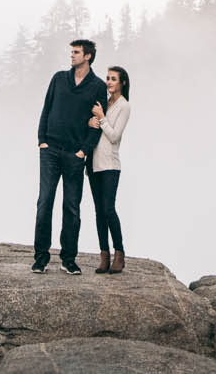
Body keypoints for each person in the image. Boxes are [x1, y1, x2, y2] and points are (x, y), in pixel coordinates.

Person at [33, 38, 107, 274]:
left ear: (88, 56)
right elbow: (47, 108)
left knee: (72, 207)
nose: (72, 56)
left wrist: (83, 151)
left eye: (76, 52)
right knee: (44, 202)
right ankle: (41, 257)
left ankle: (68, 259)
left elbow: (96, 124)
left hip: (75, 154)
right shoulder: (58, 78)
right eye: (71, 52)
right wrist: (42, 141)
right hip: (50, 151)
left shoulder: (96, 86)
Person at [87, 65, 131, 274]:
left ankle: (119, 253)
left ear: (122, 82)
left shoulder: (124, 106)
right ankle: (103, 255)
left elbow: (114, 136)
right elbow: (95, 128)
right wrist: (91, 121)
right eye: (107, 78)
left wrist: (102, 117)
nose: (109, 82)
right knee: (98, 212)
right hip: (94, 164)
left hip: (110, 165)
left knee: (108, 209)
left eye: (113, 78)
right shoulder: (103, 102)